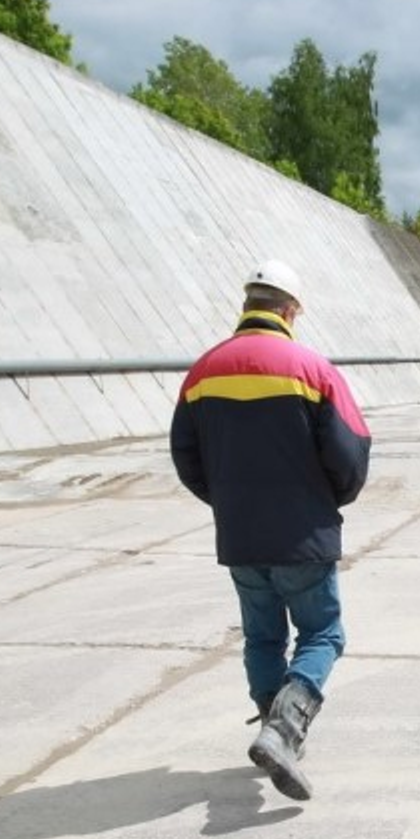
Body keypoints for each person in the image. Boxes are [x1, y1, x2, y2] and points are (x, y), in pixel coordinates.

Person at [170, 259, 371, 801]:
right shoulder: (312, 370)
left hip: (241, 537)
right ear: (290, 310)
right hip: (302, 535)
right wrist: (326, 502)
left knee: (263, 637)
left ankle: (269, 723)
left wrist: (229, 503)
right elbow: (352, 451)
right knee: (323, 635)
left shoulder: (203, 372)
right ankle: (283, 731)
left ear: (248, 304)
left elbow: (186, 456)